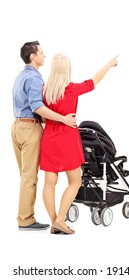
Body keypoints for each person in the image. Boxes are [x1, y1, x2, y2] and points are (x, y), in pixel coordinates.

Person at [40, 53, 118, 234]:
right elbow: (95, 80)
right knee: (75, 181)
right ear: (67, 70)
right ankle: (60, 219)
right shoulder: (72, 89)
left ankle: (54, 221)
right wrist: (110, 63)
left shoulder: (44, 90)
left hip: (49, 139)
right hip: (67, 139)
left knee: (49, 183)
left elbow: (43, 117)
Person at [11, 41, 76, 231]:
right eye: (41, 52)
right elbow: (37, 107)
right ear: (33, 56)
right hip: (30, 129)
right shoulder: (35, 79)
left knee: (26, 176)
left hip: (17, 127)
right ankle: (26, 220)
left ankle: (29, 218)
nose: (44, 55)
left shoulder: (20, 76)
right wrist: (63, 119)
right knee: (30, 178)